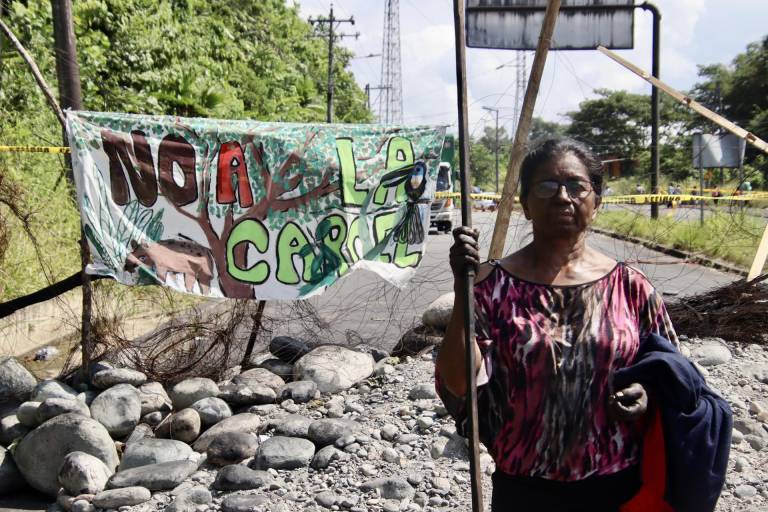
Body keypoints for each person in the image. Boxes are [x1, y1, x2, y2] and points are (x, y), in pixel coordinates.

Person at [435, 138, 681, 511]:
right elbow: (458, 382)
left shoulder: (630, 286)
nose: (563, 197)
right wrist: (461, 290)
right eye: (547, 186)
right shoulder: (490, 285)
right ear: (525, 204)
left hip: (617, 482)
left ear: (596, 202)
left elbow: (672, 375)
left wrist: (646, 394)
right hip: (525, 488)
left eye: (577, 186)